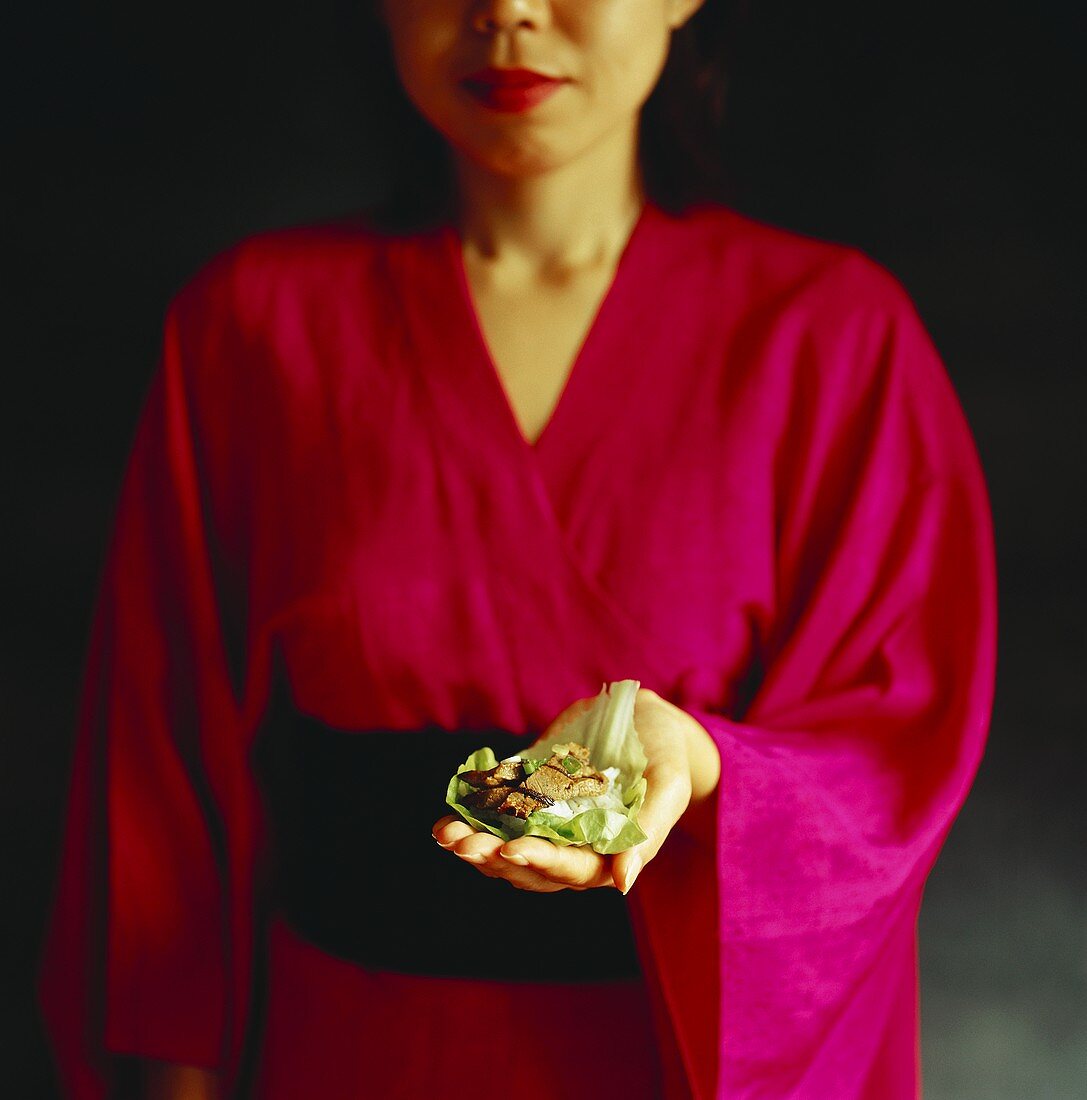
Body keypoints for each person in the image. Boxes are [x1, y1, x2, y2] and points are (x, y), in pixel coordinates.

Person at [37, 1, 997, 1097]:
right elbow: (161, 789)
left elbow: (893, 749)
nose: (507, 12)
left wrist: (705, 767)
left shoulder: (834, 336)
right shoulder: (249, 326)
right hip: (350, 1049)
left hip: (667, 1056)